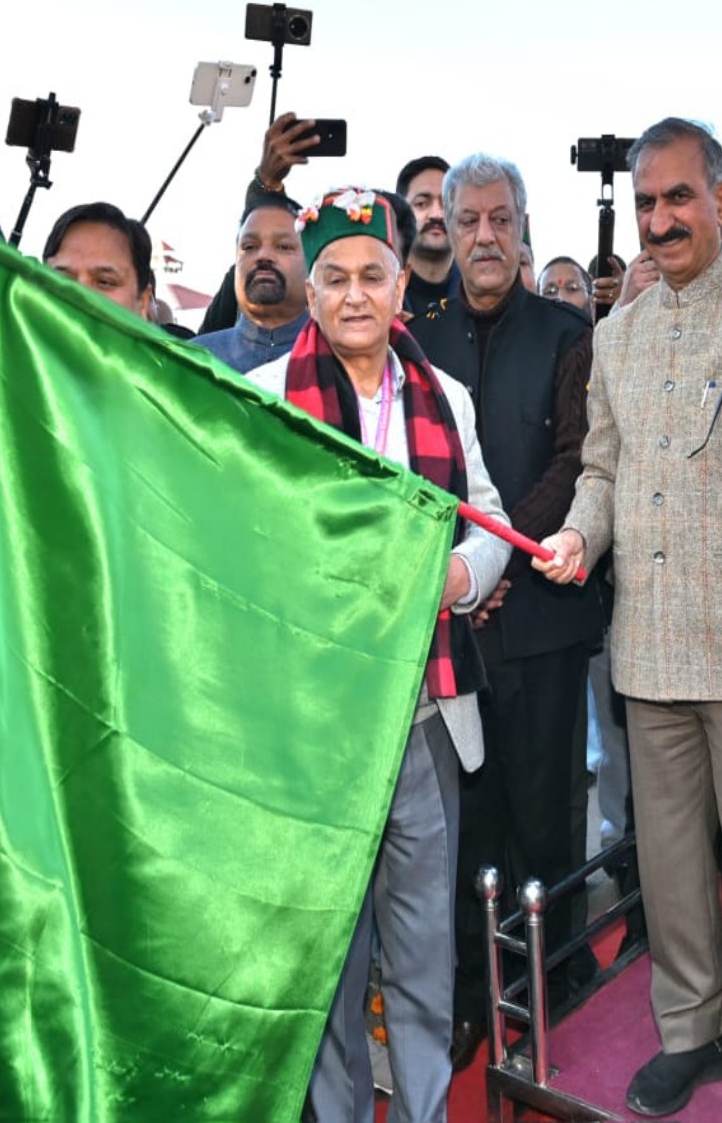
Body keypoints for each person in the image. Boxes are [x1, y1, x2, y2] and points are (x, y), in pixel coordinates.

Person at [535, 117, 722, 1119]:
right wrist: (581, 537)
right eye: (647, 204)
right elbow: (602, 470)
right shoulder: (613, 335)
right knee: (667, 871)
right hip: (648, 652)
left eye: (679, 198)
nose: (661, 220)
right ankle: (690, 1035)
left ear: (721, 200)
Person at [247, 186, 508, 1123]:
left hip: (426, 717)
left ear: (402, 285)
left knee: (424, 950)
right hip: (315, 728)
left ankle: (428, 1112)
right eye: (335, 277)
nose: (356, 294)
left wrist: (457, 581)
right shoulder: (265, 402)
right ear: (309, 292)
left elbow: (492, 521)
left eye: (373, 274)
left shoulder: (451, 399)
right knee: (330, 956)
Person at [408, 154, 603, 1064]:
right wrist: (458, 578)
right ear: (444, 227)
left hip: (542, 623)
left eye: (501, 219)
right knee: (460, 826)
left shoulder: (568, 333)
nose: (485, 236)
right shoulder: (418, 335)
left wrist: (496, 565)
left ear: (523, 227)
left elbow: (574, 462)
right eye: (468, 220)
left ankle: (558, 986)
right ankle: (469, 998)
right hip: (441, 637)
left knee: (546, 815)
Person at [192, 193, 309, 373]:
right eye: (249, 247)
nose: (263, 256)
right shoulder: (192, 363)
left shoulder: (345, 359)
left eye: (283, 246)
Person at [397, 156, 460, 318]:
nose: (436, 215)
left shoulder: (479, 293)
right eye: (422, 204)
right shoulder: (383, 293)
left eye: (446, 204)